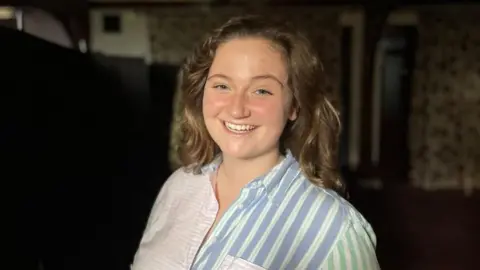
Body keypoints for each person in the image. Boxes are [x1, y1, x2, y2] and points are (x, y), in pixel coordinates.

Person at [131, 15, 379, 270]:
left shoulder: (335, 229)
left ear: (294, 105)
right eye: (222, 86)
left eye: (261, 90)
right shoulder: (178, 187)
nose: (237, 109)